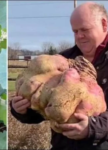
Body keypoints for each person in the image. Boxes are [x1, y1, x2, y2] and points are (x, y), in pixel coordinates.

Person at [10, 2, 108, 150]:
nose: (79, 36)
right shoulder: (61, 60)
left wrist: (94, 127)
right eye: (75, 31)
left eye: (84, 29)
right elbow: (44, 108)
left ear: (104, 24)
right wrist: (21, 110)